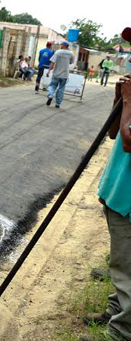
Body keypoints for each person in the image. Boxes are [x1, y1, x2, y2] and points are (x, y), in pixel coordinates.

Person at [81, 73, 131, 341]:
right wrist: (118, 100)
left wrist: (129, 99)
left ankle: (121, 332)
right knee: (122, 262)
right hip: (119, 194)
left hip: (130, 203)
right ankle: (117, 309)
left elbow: (129, 141)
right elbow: (113, 134)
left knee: (128, 270)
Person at [46, 41, 75, 108]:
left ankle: (50, 95)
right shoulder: (71, 53)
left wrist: (49, 71)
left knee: (52, 86)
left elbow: (52, 62)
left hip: (56, 73)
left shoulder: (58, 52)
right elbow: (71, 62)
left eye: (61, 44)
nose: (60, 46)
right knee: (61, 89)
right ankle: (57, 104)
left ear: (63, 45)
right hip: (64, 75)